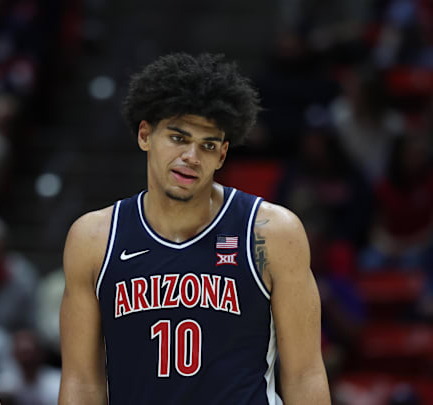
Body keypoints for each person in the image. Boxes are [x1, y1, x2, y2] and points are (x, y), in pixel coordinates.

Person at [58, 53, 330, 404]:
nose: (191, 156)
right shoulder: (94, 238)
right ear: (145, 135)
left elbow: (305, 375)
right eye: (178, 138)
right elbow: (81, 382)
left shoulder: (271, 232)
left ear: (222, 155)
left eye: (208, 145)